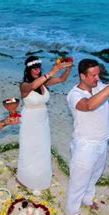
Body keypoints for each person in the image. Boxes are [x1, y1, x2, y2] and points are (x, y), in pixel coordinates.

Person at [65, 59, 109, 215]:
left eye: (98, 74)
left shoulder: (100, 86)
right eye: (93, 75)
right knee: (79, 179)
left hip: (102, 141)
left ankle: (87, 199)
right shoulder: (74, 95)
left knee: (95, 174)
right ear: (82, 76)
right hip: (85, 145)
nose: (97, 78)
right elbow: (88, 106)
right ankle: (72, 210)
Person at [17, 56, 73, 195]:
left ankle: (40, 177)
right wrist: (52, 71)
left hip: (42, 119)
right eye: (35, 68)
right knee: (29, 148)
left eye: (39, 68)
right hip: (29, 120)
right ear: (29, 70)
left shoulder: (44, 83)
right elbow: (32, 86)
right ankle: (25, 178)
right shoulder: (24, 85)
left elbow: (62, 79)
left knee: (42, 147)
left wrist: (68, 68)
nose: (38, 70)